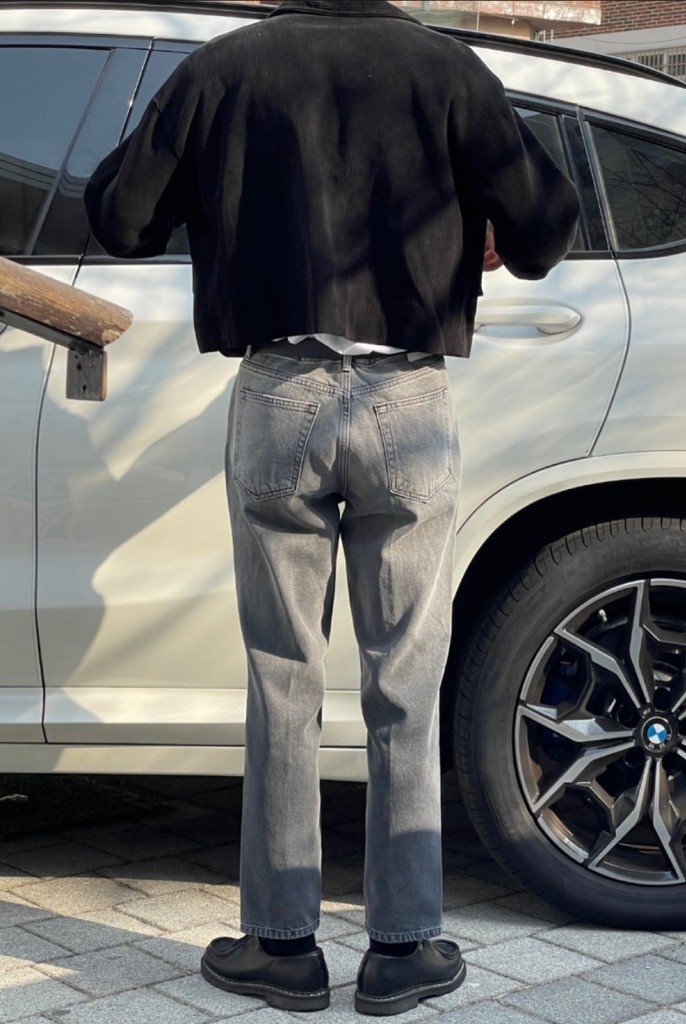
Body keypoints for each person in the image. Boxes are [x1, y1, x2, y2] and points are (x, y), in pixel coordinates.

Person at [84, 0, 579, 1015]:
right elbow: (543, 228)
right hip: (408, 401)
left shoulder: (226, 68)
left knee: (284, 677)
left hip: (280, 391)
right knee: (405, 679)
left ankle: (280, 946)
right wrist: (482, 229)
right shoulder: (445, 68)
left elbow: (121, 219)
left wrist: (227, 192)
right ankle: (402, 950)